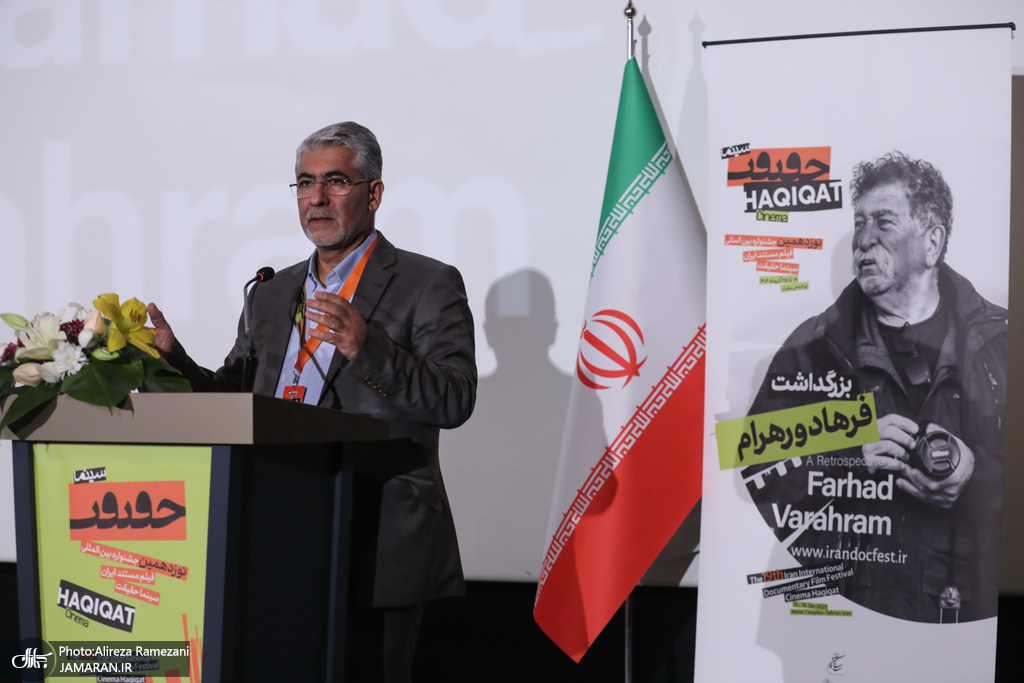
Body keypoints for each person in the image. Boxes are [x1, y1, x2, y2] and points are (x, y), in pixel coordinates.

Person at [149, 121, 477, 680]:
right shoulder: (272, 293)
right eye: (305, 183)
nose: (317, 198)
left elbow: (454, 399)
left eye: (336, 181)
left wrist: (367, 349)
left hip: (375, 535)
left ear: (373, 193)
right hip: (271, 528)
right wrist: (172, 359)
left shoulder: (427, 283)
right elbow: (236, 400)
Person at [744, 151, 1006, 623]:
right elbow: (749, 463)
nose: (863, 240)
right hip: (843, 620)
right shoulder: (813, 344)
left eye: (884, 222)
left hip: (970, 627)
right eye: (859, 223)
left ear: (932, 242)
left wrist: (976, 478)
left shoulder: (1003, 345)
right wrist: (848, 449)